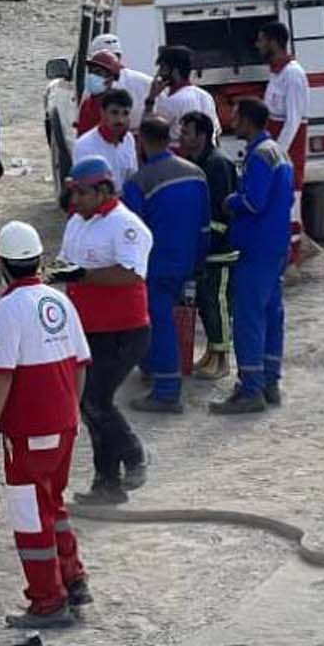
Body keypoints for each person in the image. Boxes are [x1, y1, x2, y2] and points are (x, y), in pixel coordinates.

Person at [0, 221, 92, 631]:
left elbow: (2, 373)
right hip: (64, 424)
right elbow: (80, 364)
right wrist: (70, 412)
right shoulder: (60, 301)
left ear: (4, 263)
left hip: (29, 429)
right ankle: (73, 578)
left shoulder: (10, 307)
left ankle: (48, 601)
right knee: (53, 503)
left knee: (31, 516)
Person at [50, 157, 152, 504]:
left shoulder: (126, 226)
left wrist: (82, 276)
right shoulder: (77, 222)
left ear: (103, 190)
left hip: (124, 331)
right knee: (90, 405)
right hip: (86, 331)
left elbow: (130, 274)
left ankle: (134, 453)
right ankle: (107, 483)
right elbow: (66, 263)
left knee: (94, 399)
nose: (74, 200)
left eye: (80, 193)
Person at [122, 116, 210, 414]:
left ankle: (167, 392)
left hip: (155, 265)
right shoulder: (196, 173)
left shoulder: (139, 182)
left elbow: (131, 232)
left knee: (160, 324)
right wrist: (198, 260)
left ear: (142, 142)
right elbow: (204, 226)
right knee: (167, 321)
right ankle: (153, 368)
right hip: (187, 261)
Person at [211, 98, 293, 414]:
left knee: (248, 318)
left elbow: (254, 202)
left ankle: (250, 390)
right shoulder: (278, 152)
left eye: (235, 117)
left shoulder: (259, 156)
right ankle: (269, 381)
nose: (232, 121)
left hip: (257, 247)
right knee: (272, 314)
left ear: (247, 120)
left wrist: (231, 201)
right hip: (275, 245)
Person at [180, 111, 239, 380]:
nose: (182, 137)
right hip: (204, 248)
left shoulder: (217, 165)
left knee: (218, 303)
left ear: (202, 135)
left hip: (220, 249)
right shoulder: (198, 162)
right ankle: (212, 352)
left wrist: (207, 237)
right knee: (205, 302)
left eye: (186, 132)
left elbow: (223, 211)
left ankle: (222, 359)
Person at [257, 22, 309, 268]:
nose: (257, 45)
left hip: (287, 151)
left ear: (274, 42)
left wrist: (277, 152)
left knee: (291, 205)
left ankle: (292, 260)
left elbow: (294, 119)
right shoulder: (276, 72)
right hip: (277, 146)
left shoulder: (293, 73)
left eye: (261, 40)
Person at [144, 45, 217, 145]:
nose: (159, 73)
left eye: (162, 68)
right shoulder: (206, 96)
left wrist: (151, 98)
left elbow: (149, 132)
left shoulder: (173, 101)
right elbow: (216, 135)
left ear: (175, 71)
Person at [73, 87, 139, 189]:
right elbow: (85, 189)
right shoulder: (85, 145)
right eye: (114, 113)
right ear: (102, 113)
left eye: (125, 113)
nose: (120, 120)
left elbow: (132, 178)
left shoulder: (129, 140)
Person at [75, 47, 151, 134]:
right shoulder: (88, 104)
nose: (92, 76)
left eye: (98, 72)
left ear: (110, 77)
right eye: (90, 72)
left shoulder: (119, 106)